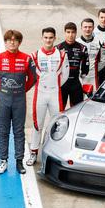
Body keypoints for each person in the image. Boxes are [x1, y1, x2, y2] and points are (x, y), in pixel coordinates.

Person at [0, 30, 36, 175]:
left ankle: (19, 161)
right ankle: (3, 160)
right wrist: (3, 91)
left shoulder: (27, 59)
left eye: (15, 40)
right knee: (3, 130)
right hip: (3, 99)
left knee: (19, 131)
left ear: (19, 42)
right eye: (9, 40)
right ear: (5, 42)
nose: (12, 42)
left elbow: (32, 79)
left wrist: (20, 90)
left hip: (19, 100)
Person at [27, 27, 69, 166]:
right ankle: (34, 152)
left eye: (51, 37)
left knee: (57, 125)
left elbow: (65, 75)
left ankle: (54, 154)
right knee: (37, 125)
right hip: (40, 93)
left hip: (55, 94)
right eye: (46, 37)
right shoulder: (34, 55)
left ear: (55, 38)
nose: (48, 40)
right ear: (42, 38)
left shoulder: (62, 55)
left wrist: (55, 86)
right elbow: (31, 76)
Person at [57, 22, 89, 108]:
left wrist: (82, 79)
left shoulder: (83, 48)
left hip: (76, 84)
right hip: (62, 85)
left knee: (77, 110)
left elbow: (85, 69)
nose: (70, 35)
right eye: (68, 32)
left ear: (76, 33)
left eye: (73, 32)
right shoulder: (58, 48)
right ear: (65, 33)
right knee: (59, 110)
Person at [78, 18, 105, 89]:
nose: (87, 29)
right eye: (85, 27)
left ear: (93, 28)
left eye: (90, 27)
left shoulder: (99, 42)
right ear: (81, 28)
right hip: (79, 79)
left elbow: (103, 61)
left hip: (93, 79)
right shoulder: (76, 42)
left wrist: (94, 70)